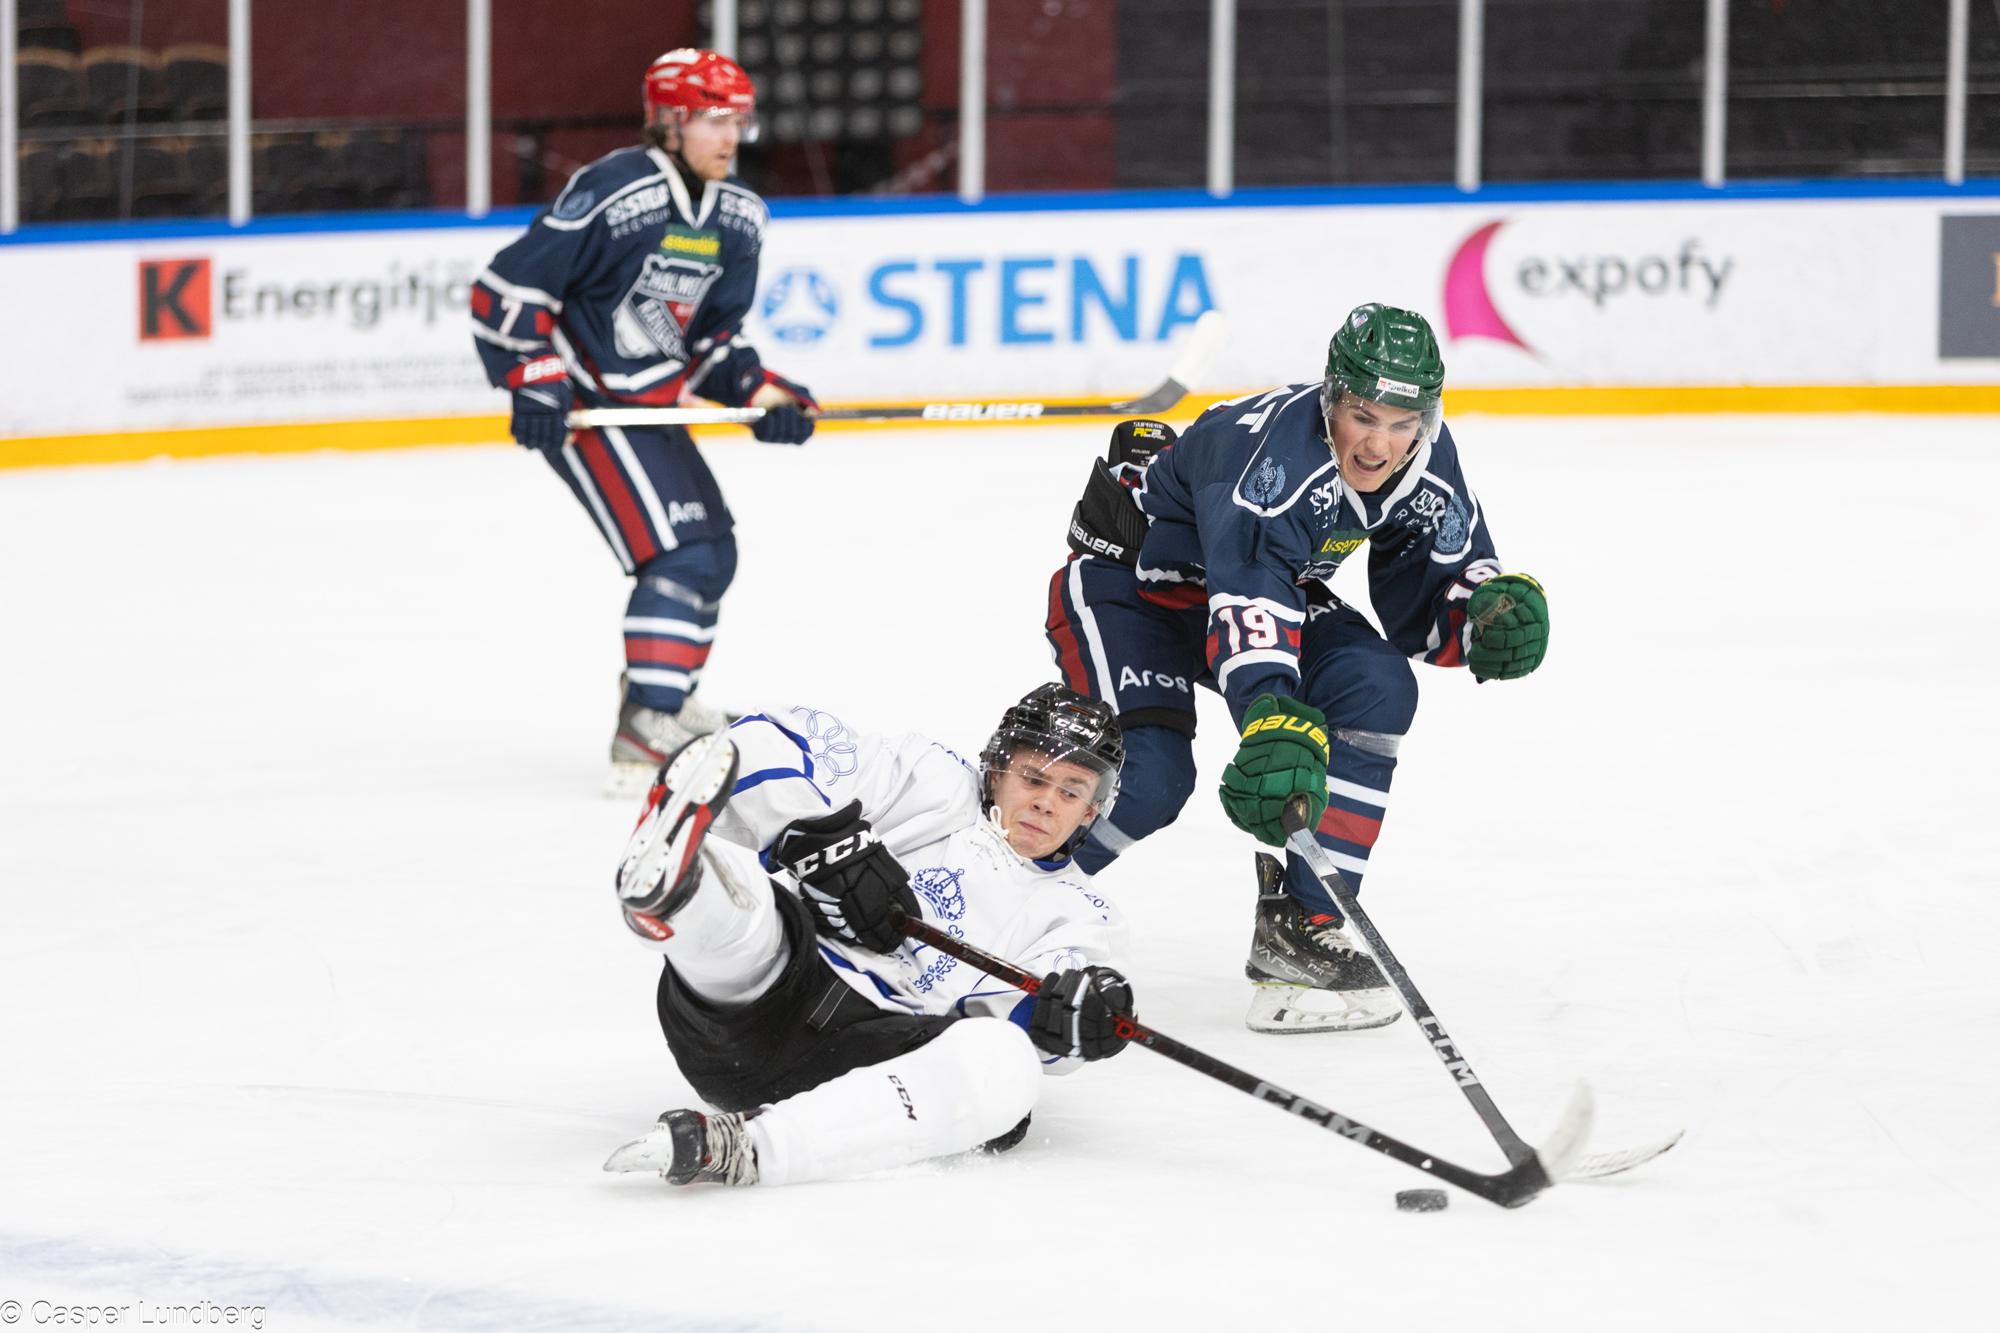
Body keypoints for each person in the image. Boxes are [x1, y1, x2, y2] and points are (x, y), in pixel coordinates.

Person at [1042, 303, 1549, 1034]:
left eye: (1401, 424)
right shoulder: (1275, 464)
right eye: (1363, 416)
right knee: (1150, 780)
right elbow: (1249, 598)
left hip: (1260, 586)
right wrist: (1271, 710)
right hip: (1135, 588)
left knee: (1375, 686)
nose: (1379, 444)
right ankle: (994, 894)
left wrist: (1479, 618)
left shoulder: (1427, 456)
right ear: (1331, 397)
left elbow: (1432, 577)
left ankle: (1304, 929)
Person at [601, 685, 1137, 1187]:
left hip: (873, 1063)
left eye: (1071, 792)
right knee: (759, 914)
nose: (1046, 802)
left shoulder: (1083, 914)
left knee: (1009, 1066)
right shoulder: (927, 778)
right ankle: (675, 898)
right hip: (760, 1001)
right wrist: (815, 839)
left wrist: (1071, 1021)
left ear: (1090, 812)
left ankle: (743, 1148)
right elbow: (753, 741)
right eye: (1033, 778)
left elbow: (1049, 1033)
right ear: (997, 769)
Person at [469, 48, 819, 795]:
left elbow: (712, 342)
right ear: (668, 121)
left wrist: (765, 396)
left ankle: (666, 702)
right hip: (589, 408)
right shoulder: (614, 189)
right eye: (713, 120)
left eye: (738, 121)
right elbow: (508, 289)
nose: (730, 137)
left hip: (648, 406)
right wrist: (535, 382)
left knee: (713, 553)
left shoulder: (740, 216)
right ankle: (645, 723)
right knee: (681, 557)